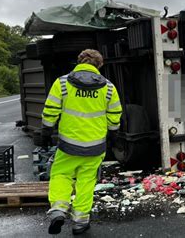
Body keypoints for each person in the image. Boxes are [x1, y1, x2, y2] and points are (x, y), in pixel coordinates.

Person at [40, 49, 122, 235]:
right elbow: (115, 115)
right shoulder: (108, 88)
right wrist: (114, 136)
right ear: (99, 65)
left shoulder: (62, 83)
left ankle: (59, 209)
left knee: (61, 174)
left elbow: (51, 109)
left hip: (68, 146)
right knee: (86, 181)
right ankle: (80, 221)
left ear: (79, 61)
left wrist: (46, 131)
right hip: (95, 146)